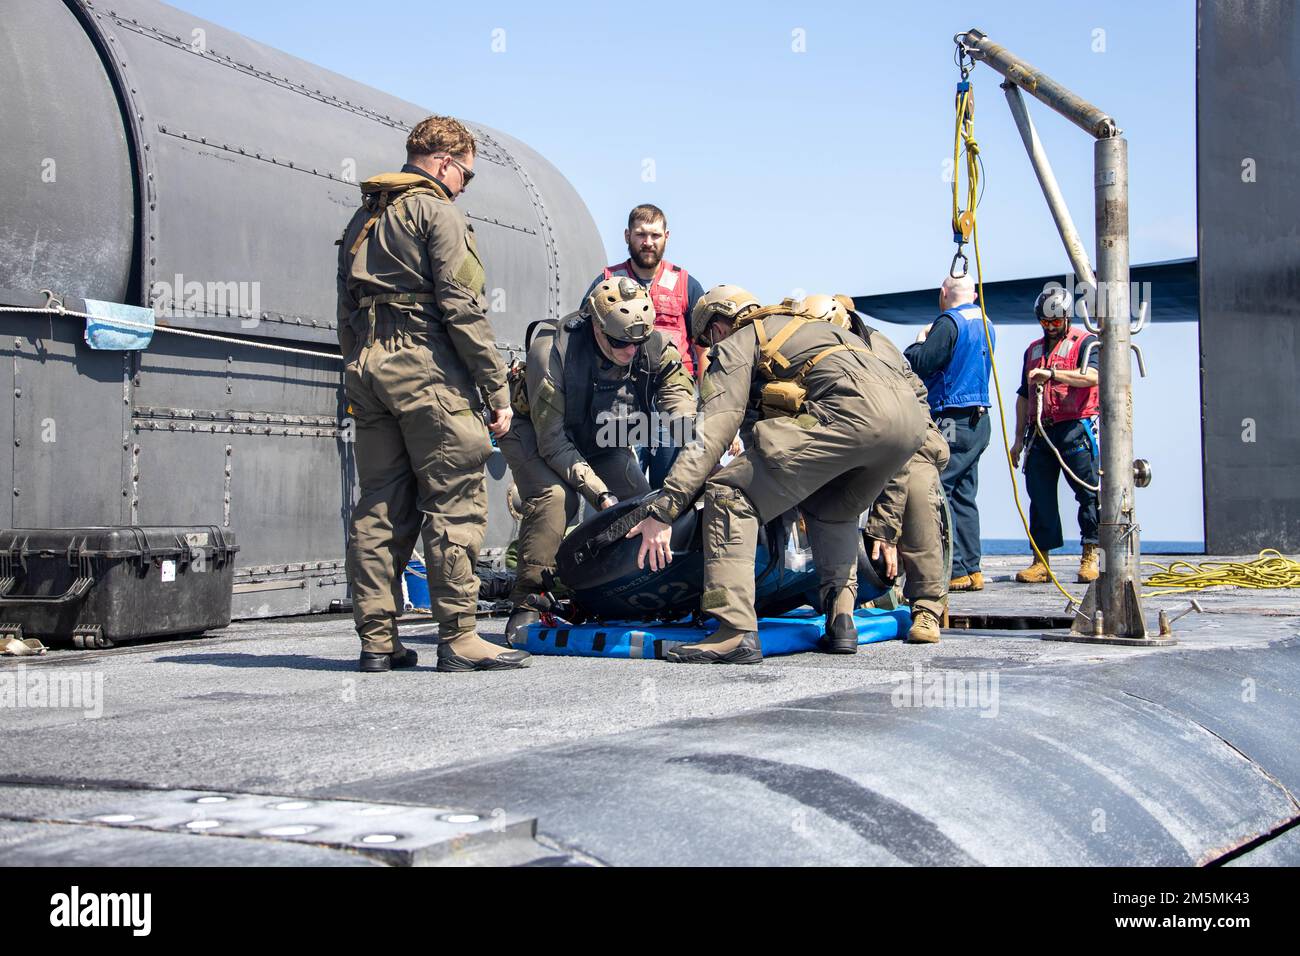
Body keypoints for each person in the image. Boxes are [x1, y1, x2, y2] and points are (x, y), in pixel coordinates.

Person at [625, 287, 928, 664]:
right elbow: (774, 446)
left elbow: (715, 429)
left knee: (729, 493)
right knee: (832, 506)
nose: (710, 347)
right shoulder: (804, 329)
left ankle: (734, 630)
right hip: (909, 425)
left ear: (718, 325)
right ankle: (841, 620)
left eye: (708, 338)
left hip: (853, 415)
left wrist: (665, 509)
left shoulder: (739, 341)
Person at [336, 115, 530, 673]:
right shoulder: (436, 210)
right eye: (466, 175)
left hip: (368, 368)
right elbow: (462, 307)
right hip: (425, 366)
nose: (464, 185)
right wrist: (496, 389)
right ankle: (459, 637)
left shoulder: (365, 215)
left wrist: (358, 365)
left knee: (379, 504)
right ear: (445, 163)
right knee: (454, 500)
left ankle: (377, 640)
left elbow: (346, 306)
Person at [499, 277, 695, 641]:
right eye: (620, 342)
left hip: (604, 432)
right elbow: (554, 442)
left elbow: (681, 410)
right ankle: (530, 599)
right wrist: (601, 495)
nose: (630, 351)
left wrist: (698, 444)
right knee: (556, 498)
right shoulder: (553, 352)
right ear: (596, 326)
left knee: (639, 507)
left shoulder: (652, 347)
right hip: (535, 431)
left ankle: (617, 595)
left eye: (637, 342)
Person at [824, 295, 952, 645]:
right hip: (866, 434)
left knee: (917, 493)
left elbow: (897, 453)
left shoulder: (876, 354)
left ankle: (927, 605)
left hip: (913, 439)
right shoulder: (828, 352)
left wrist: (884, 530)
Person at [586, 205, 705, 487]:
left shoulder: (686, 285)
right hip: (621, 406)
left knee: (674, 493)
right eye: (640, 234)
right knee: (622, 493)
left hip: (673, 405)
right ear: (627, 235)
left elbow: (704, 352)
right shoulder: (606, 283)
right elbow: (583, 345)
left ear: (667, 236)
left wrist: (708, 411)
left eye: (654, 235)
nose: (648, 242)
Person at [904, 272, 994, 592]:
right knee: (965, 495)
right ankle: (973, 568)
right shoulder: (986, 323)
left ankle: (953, 569)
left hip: (952, 418)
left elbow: (924, 362)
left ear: (944, 293)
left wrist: (918, 344)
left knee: (939, 492)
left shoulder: (949, 322)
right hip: (979, 420)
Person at [1010, 287, 1101, 584]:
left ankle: (1090, 553)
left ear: (1066, 317)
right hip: (1040, 431)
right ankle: (1041, 560)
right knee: (1040, 496)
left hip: (1074, 429)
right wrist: (1018, 440)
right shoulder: (1032, 350)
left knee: (1087, 493)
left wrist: (1053, 374)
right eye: (1044, 322)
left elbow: (1093, 377)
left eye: (1055, 321)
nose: (1050, 327)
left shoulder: (1086, 343)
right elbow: (1023, 397)